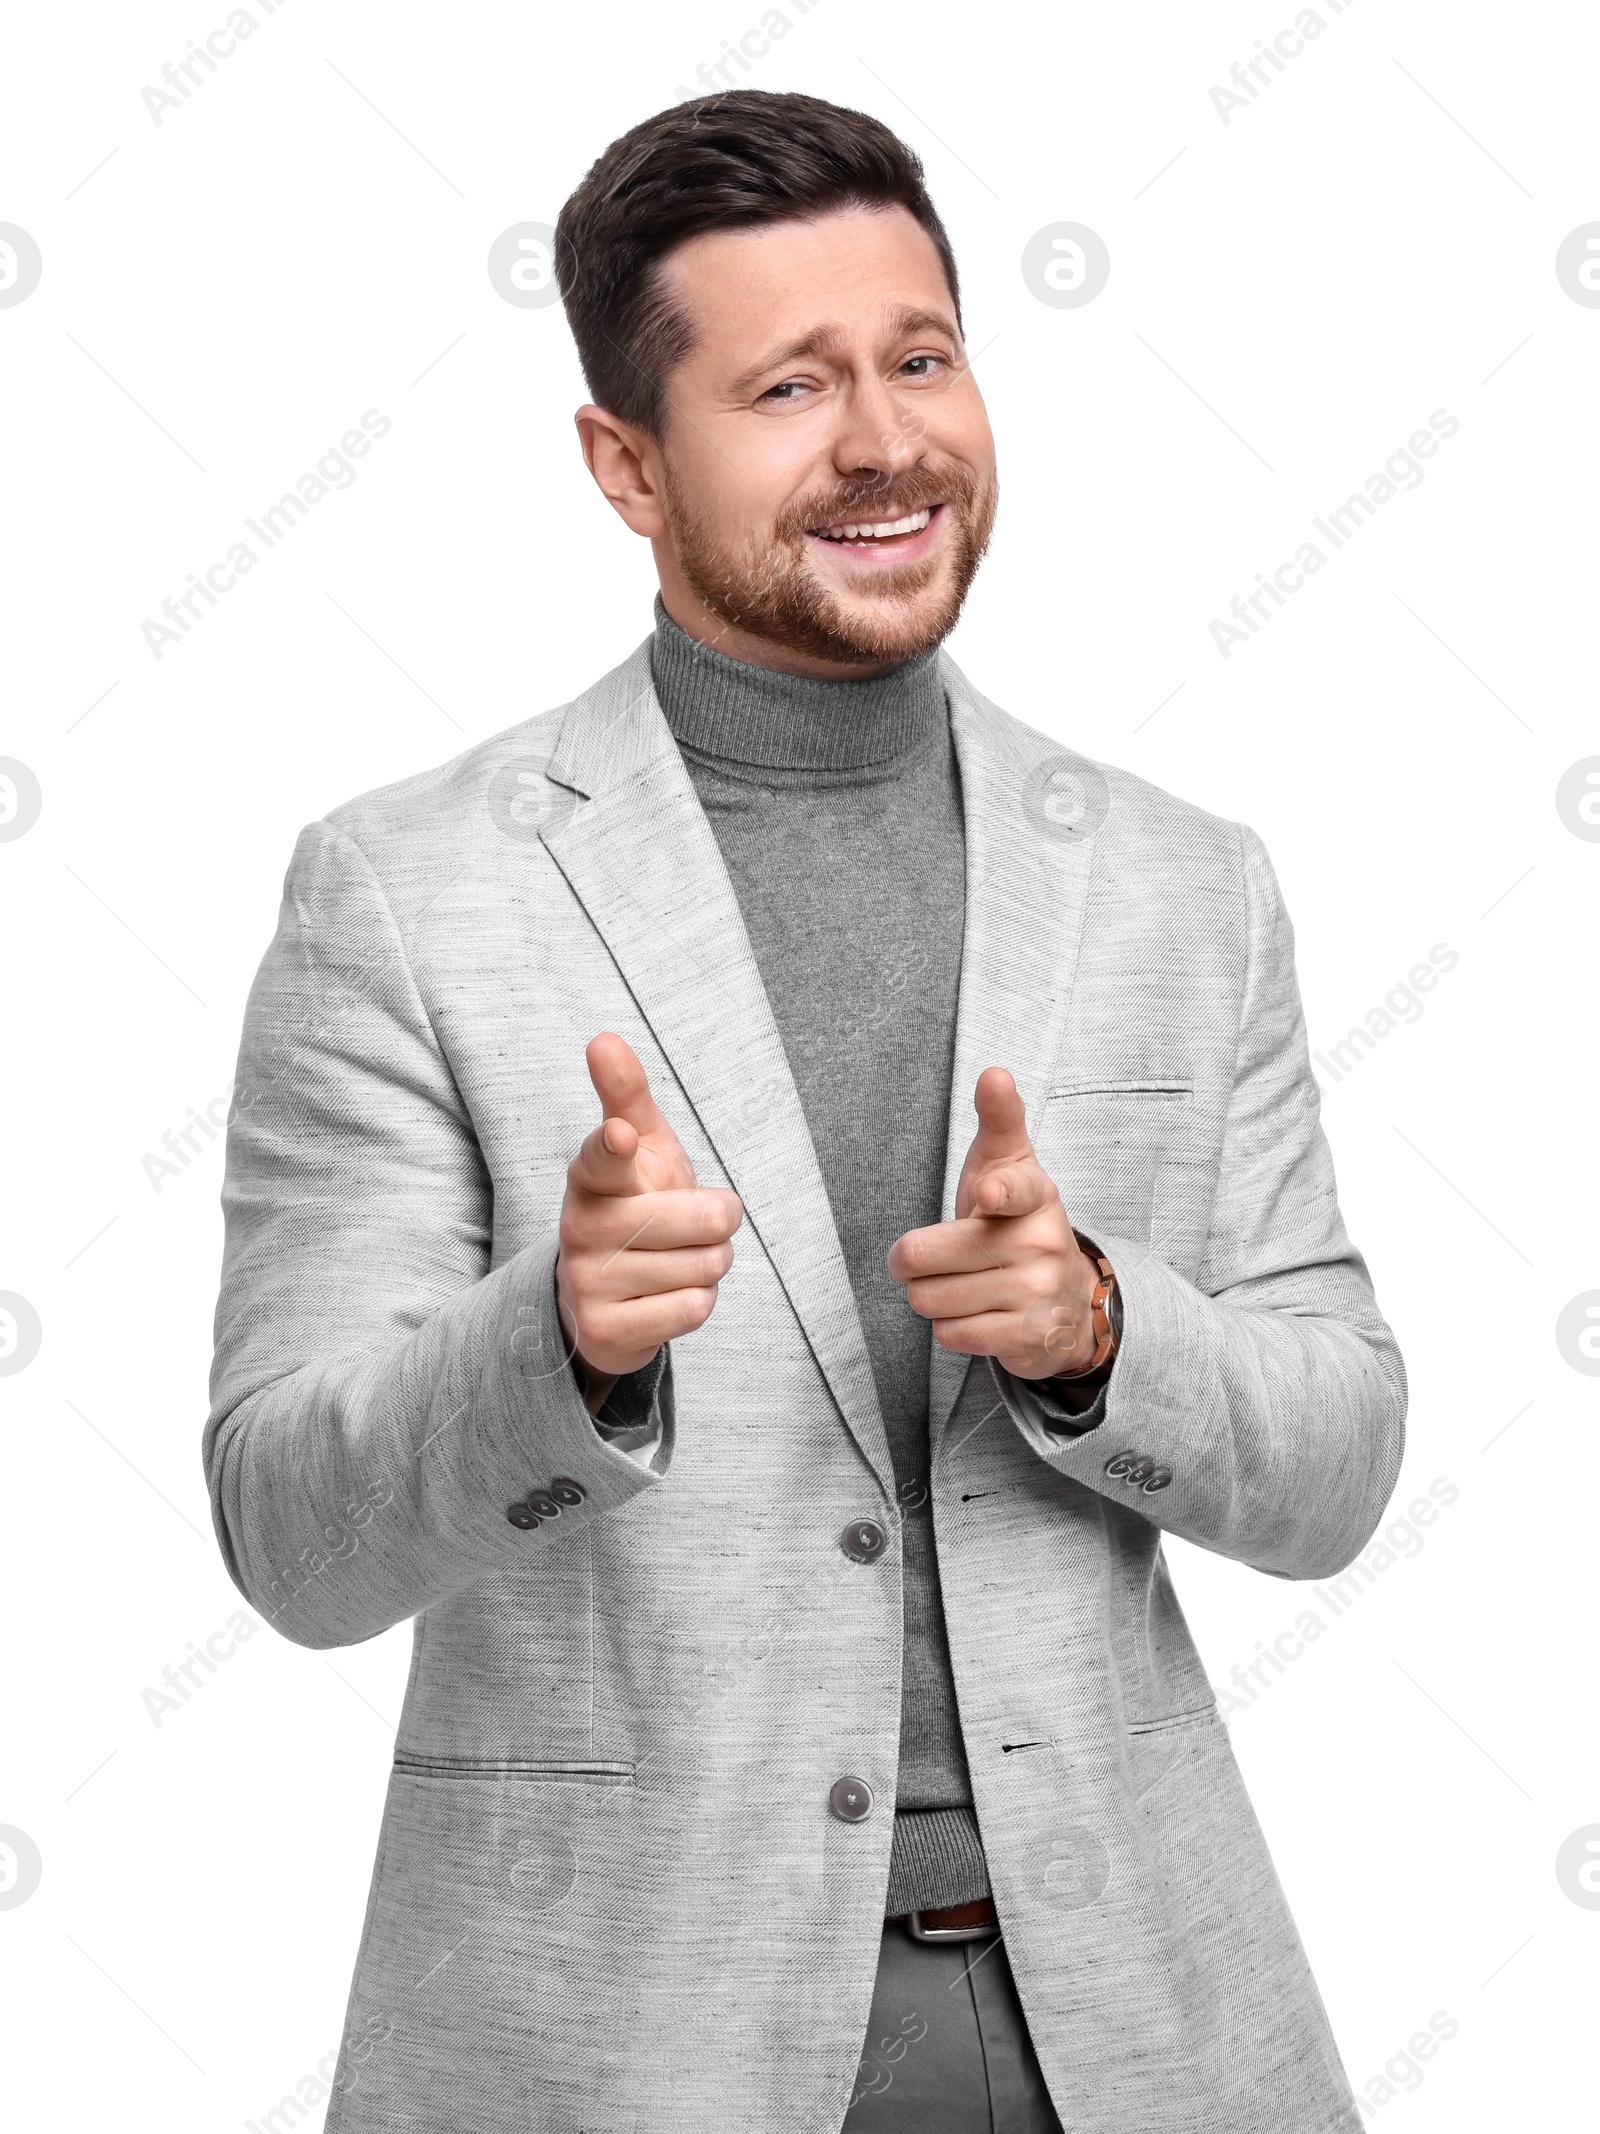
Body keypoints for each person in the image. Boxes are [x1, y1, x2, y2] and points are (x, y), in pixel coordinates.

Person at [204, 88, 1406, 2133]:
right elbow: (290, 1532)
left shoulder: (1176, 879)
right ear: (623, 462)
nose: (881, 439)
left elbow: (1335, 1458)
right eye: (784, 384)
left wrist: (1104, 1327)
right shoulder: (408, 891)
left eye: (917, 357)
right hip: (613, 2040)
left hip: (1121, 2030)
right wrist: (557, 1339)